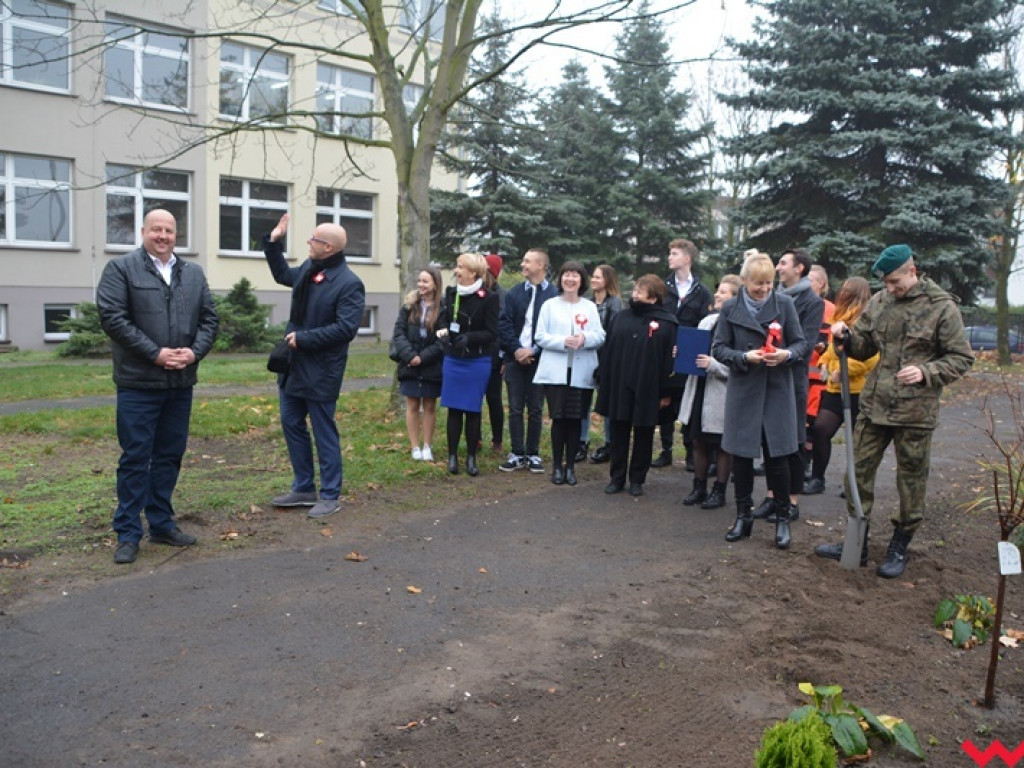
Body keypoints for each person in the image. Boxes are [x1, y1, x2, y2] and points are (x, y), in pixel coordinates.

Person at [815, 245, 973, 578]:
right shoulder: (880, 302)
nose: (890, 288)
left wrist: (926, 372)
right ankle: (856, 543)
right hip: (875, 406)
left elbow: (961, 358)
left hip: (915, 411)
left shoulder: (941, 307)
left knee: (911, 481)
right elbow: (864, 346)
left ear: (911, 271)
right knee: (855, 474)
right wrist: (845, 338)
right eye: (885, 283)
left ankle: (899, 545)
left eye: (894, 281)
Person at [96, 209, 219, 564]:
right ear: (143, 231)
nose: (162, 235)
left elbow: (210, 319)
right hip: (138, 383)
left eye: (169, 230)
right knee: (136, 458)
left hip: (180, 383)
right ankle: (128, 533)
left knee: (168, 456)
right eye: (156, 229)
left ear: (176, 235)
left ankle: (162, 524)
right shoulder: (121, 270)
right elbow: (113, 318)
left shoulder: (192, 273)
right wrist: (156, 354)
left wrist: (194, 353)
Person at [263, 213, 366, 519]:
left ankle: (331, 494)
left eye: (315, 239)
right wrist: (273, 242)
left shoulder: (350, 284)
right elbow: (283, 275)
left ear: (330, 248)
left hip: (322, 369)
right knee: (292, 424)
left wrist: (304, 339)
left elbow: (345, 329)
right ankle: (304, 487)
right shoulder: (310, 267)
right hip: (293, 365)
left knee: (324, 431)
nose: (309, 242)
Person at [713, 254, 807, 549]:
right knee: (741, 457)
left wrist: (785, 355)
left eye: (769, 283)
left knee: (777, 457)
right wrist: (743, 357)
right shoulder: (730, 308)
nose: (764, 289)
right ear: (744, 282)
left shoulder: (784, 304)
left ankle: (782, 518)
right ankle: (743, 516)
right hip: (744, 389)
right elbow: (719, 348)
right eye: (758, 284)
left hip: (777, 390)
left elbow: (801, 343)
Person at [751, 247, 824, 524]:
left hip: (791, 381)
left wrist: (782, 354)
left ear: (799, 269)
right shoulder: (774, 298)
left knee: (792, 441)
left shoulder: (811, 301)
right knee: (770, 441)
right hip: (769, 377)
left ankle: (791, 500)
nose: (777, 268)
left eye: (783, 263)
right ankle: (772, 496)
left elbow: (804, 344)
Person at [595, 275, 679, 497]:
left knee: (644, 432)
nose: (635, 293)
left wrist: (667, 392)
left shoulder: (667, 323)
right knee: (618, 431)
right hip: (620, 383)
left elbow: (670, 359)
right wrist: (604, 377)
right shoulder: (622, 317)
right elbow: (610, 350)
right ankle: (617, 477)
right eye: (636, 289)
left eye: (641, 290)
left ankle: (637, 479)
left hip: (649, 387)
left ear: (654, 295)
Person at [533, 261, 605, 486]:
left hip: (581, 372)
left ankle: (571, 467)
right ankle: (556, 466)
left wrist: (584, 339)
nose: (570, 279)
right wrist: (563, 341)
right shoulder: (550, 305)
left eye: (575, 276)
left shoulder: (589, 307)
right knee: (559, 419)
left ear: (581, 281)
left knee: (575, 420)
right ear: (561, 279)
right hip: (556, 372)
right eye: (566, 275)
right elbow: (540, 336)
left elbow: (600, 335)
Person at [803, 277, 877, 494]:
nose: (841, 293)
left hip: (858, 391)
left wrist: (845, 371)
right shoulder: (838, 317)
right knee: (821, 429)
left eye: (846, 290)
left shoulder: (866, 320)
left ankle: (854, 484)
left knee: (858, 439)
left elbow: (871, 357)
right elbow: (833, 349)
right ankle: (817, 478)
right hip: (835, 390)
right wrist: (824, 361)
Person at [678, 275, 741, 509]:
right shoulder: (707, 322)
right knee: (697, 441)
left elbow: (740, 364)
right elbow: (694, 351)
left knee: (722, 444)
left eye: (724, 292)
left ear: (735, 299)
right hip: (699, 390)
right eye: (718, 291)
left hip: (721, 393)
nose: (717, 295)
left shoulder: (739, 326)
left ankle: (719, 491)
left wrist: (713, 365)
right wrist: (682, 353)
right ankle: (699, 486)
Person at [437, 253, 500, 476]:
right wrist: (443, 330)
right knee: (454, 408)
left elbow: (492, 332)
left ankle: (471, 458)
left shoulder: (489, 298)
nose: (456, 271)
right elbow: (444, 318)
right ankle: (452, 457)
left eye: (460, 267)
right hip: (453, 359)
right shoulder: (452, 292)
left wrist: (470, 338)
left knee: (473, 410)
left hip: (477, 361)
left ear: (473, 272)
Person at [653, 239, 712, 470]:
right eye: (670, 253)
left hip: (690, 352)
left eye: (675, 253)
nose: (670, 257)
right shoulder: (663, 287)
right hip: (666, 351)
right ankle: (666, 449)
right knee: (665, 402)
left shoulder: (701, 291)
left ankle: (690, 451)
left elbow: (704, 324)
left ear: (687, 259)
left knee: (688, 401)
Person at [497, 248, 558, 473]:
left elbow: (554, 329)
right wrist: (517, 350)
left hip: (540, 360)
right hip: (515, 359)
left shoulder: (553, 295)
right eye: (523, 261)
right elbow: (504, 324)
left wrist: (533, 351)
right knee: (514, 408)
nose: (523, 265)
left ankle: (532, 453)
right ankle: (516, 452)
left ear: (540, 266)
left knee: (535, 408)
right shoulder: (514, 294)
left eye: (527, 261)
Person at [392, 267, 445, 462]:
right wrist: (410, 355)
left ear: (435, 284)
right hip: (410, 363)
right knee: (412, 404)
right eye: (420, 281)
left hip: (431, 364)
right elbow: (398, 333)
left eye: (426, 281)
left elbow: (443, 340)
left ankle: (427, 446)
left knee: (430, 405)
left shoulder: (443, 307)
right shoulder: (410, 305)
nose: (421, 285)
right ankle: (414, 446)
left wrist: (423, 357)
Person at [585, 263, 623, 464]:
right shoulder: (587, 303)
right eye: (593, 276)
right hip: (586, 357)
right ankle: (582, 441)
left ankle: (610, 443)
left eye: (598, 277)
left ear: (607, 280)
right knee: (583, 401)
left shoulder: (614, 303)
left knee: (607, 403)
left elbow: (613, 334)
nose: (593, 280)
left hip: (605, 360)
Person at [803, 264, 835, 486]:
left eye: (811, 280)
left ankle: (814, 473)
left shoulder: (831, 310)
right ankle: (800, 466)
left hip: (819, 381)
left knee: (816, 428)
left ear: (821, 284)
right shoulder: (799, 305)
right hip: (798, 379)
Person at [483, 254, 506, 455]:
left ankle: (497, 439)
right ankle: (476, 438)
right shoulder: (473, 293)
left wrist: (502, 356)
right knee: (473, 398)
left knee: (494, 398)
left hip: (493, 356)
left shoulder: (501, 297)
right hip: (474, 354)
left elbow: (504, 328)